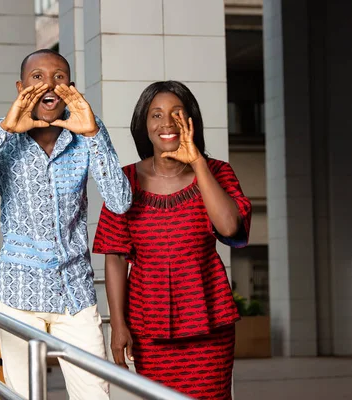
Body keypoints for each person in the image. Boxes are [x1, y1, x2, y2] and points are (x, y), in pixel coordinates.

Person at [0, 49, 132, 400]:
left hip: (75, 293)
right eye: (37, 77)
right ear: (21, 87)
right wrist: (4, 131)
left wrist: (93, 135)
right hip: (19, 293)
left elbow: (120, 202)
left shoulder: (87, 132)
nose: (49, 83)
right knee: (23, 396)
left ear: (70, 87)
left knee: (96, 395)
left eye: (59, 76)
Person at [93, 81, 252, 399]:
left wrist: (197, 163)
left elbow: (230, 227)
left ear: (191, 121)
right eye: (156, 115)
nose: (166, 123)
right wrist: (118, 325)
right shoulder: (124, 181)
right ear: (144, 124)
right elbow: (114, 258)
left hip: (209, 322)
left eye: (177, 113)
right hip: (148, 323)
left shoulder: (218, 172)